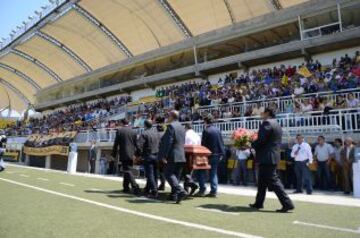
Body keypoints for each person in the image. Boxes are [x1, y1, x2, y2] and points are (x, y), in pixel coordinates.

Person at [249, 108, 294, 213]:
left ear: (267, 113)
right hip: (271, 156)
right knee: (262, 182)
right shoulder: (277, 124)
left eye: (263, 112)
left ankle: (287, 204)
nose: (261, 114)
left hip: (267, 156)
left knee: (273, 181)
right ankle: (258, 203)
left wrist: (251, 143)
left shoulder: (267, 123)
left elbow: (262, 139)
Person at [158, 110, 187, 204]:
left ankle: (180, 190)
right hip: (181, 154)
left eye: (168, 116)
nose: (167, 118)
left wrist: (164, 156)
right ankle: (175, 195)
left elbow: (168, 143)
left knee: (168, 174)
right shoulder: (182, 127)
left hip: (173, 154)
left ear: (171, 117)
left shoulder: (171, 126)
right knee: (176, 176)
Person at [195, 114, 225, 198]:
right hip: (217, 154)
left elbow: (203, 145)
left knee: (200, 172)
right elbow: (221, 142)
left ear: (205, 121)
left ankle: (202, 189)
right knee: (213, 173)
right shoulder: (218, 129)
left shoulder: (206, 130)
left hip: (207, 155)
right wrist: (222, 153)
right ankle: (213, 191)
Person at [112, 118, 140, 195]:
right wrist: (138, 154)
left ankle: (135, 186)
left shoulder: (119, 131)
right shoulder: (133, 131)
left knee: (127, 171)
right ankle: (126, 188)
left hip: (124, 153)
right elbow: (137, 144)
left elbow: (116, 144)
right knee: (127, 170)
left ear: (122, 123)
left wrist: (113, 155)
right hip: (131, 154)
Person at [137, 120, 161, 198]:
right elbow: (160, 144)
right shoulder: (156, 133)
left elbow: (139, 145)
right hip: (157, 155)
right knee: (155, 174)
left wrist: (139, 155)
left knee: (150, 175)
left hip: (148, 156)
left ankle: (154, 191)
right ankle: (149, 189)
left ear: (145, 125)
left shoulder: (144, 133)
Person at [184, 123, 200, 195]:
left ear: (186, 128)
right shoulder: (197, 135)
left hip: (187, 154)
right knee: (189, 172)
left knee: (185, 172)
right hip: (195, 154)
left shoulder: (186, 134)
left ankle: (191, 185)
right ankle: (187, 188)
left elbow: (183, 144)